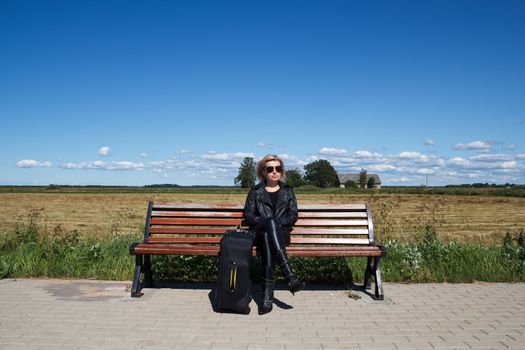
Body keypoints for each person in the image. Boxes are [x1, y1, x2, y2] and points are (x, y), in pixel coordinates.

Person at [243, 154, 305, 315]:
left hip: (280, 233)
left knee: (267, 234)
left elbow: (293, 216)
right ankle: (289, 275)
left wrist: (276, 223)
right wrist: (265, 221)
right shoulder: (256, 191)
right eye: (270, 169)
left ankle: (266, 297)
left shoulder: (288, 191)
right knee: (267, 225)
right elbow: (248, 215)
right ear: (263, 172)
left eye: (278, 168)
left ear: (281, 171)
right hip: (258, 230)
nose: (274, 172)